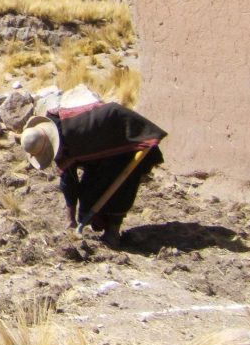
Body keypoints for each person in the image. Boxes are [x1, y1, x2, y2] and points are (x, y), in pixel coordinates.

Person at [21, 101, 166, 247]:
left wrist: (72, 219)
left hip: (125, 134)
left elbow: (69, 180)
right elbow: (69, 179)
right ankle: (102, 222)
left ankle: (113, 231)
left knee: (121, 181)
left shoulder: (69, 139)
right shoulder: (57, 131)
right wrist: (71, 220)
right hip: (102, 143)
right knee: (90, 198)